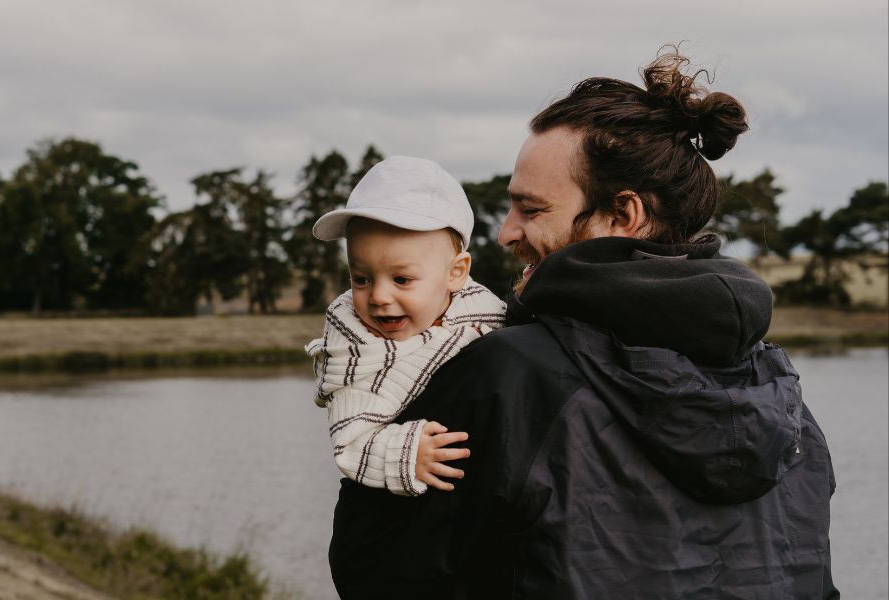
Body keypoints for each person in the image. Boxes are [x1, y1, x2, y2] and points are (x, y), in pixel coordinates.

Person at [328, 50, 838, 599]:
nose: (505, 233)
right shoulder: (782, 394)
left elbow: (374, 571)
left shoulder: (509, 374)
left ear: (623, 215)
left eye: (532, 209)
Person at [306, 155, 506, 497]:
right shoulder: (352, 346)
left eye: (402, 279)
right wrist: (408, 453)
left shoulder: (491, 320)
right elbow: (349, 442)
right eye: (361, 278)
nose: (379, 296)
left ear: (455, 273)